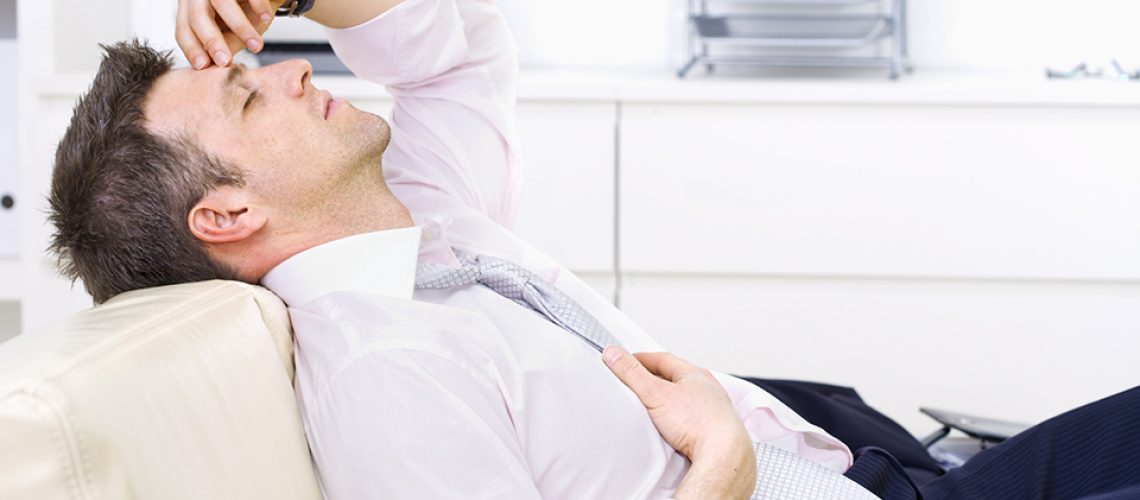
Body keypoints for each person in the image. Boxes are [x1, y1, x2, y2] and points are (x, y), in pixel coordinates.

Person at [45, 0, 1140, 498]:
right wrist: (720, 467)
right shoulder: (386, 374)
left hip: (891, 472)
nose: (290, 68)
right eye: (249, 92)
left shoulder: (419, 228)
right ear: (225, 216)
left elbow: (457, 57)